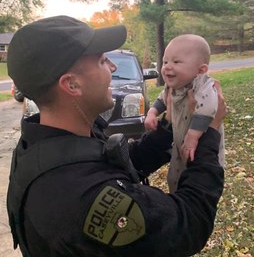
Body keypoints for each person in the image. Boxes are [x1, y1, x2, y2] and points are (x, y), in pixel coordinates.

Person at [6, 16, 226, 257]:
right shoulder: (83, 195)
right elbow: (189, 223)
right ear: (72, 85)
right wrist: (209, 133)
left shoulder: (46, 144)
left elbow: (116, 163)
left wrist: (170, 128)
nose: (112, 67)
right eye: (102, 60)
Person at [145, 34, 225, 193]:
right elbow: (162, 99)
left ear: (201, 70)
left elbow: (208, 108)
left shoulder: (204, 86)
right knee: (175, 177)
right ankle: (177, 195)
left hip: (203, 146)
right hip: (179, 145)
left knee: (198, 181)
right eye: (165, 61)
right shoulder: (173, 86)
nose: (167, 66)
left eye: (176, 62)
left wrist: (193, 136)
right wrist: (152, 113)